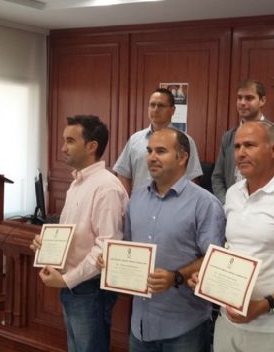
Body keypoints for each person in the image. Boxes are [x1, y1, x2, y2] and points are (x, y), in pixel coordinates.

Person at [194, 121, 274, 352]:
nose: (241, 153)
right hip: (228, 320)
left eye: (250, 145)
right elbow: (233, 250)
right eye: (237, 147)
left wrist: (265, 305)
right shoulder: (233, 194)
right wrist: (207, 277)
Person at [30, 115, 128, 352]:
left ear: (91, 146)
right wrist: (46, 246)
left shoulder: (106, 188)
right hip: (75, 287)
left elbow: (105, 247)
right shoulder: (77, 182)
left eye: (70, 141)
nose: (63, 148)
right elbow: (70, 232)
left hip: (90, 289)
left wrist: (66, 279)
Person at [124, 127, 225, 352]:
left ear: (182, 158)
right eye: (149, 151)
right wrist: (111, 261)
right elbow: (128, 247)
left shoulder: (205, 204)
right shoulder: (136, 198)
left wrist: (176, 276)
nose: (152, 157)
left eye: (161, 151)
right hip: (140, 325)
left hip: (184, 326)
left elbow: (213, 259)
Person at [211, 79, 274, 204]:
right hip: (231, 209)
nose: (242, 103)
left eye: (249, 98)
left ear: (262, 101)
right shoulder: (229, 136)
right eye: (239, 98)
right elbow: (217, 177)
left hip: (265, 207)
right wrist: (227, 204)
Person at [114, 88, 202, 195]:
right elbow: (124, 175)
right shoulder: (135, 140)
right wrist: (128, 204)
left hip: (173, 205)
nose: (155, 109)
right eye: (152, 105)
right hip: (140, 204)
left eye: (161, 106)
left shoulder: (186, 141)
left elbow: (192, 178)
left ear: (172, 110)